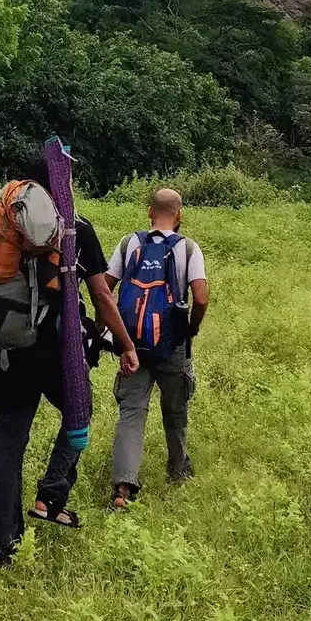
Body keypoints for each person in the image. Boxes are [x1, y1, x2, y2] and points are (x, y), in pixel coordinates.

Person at [0, 156, 138, 565]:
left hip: (2, 348)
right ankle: (51, 495)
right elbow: (103, 296)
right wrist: (126, 345)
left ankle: (1, 544)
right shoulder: (75, 229)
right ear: (60, 183)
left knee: (8, 439)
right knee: (80, 412)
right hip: (53, 349)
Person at [106, 187, 208, 506]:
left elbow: (104, 291)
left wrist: (118, 338)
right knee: (176, 408)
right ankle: (178, 469)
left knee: (132, 412)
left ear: (149, 212)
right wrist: (189, 330)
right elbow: (201, 298)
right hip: (172, 344)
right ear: (179, 215)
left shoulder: (128, 243)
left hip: (133, 343)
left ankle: (124, 487)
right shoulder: (188, 249)